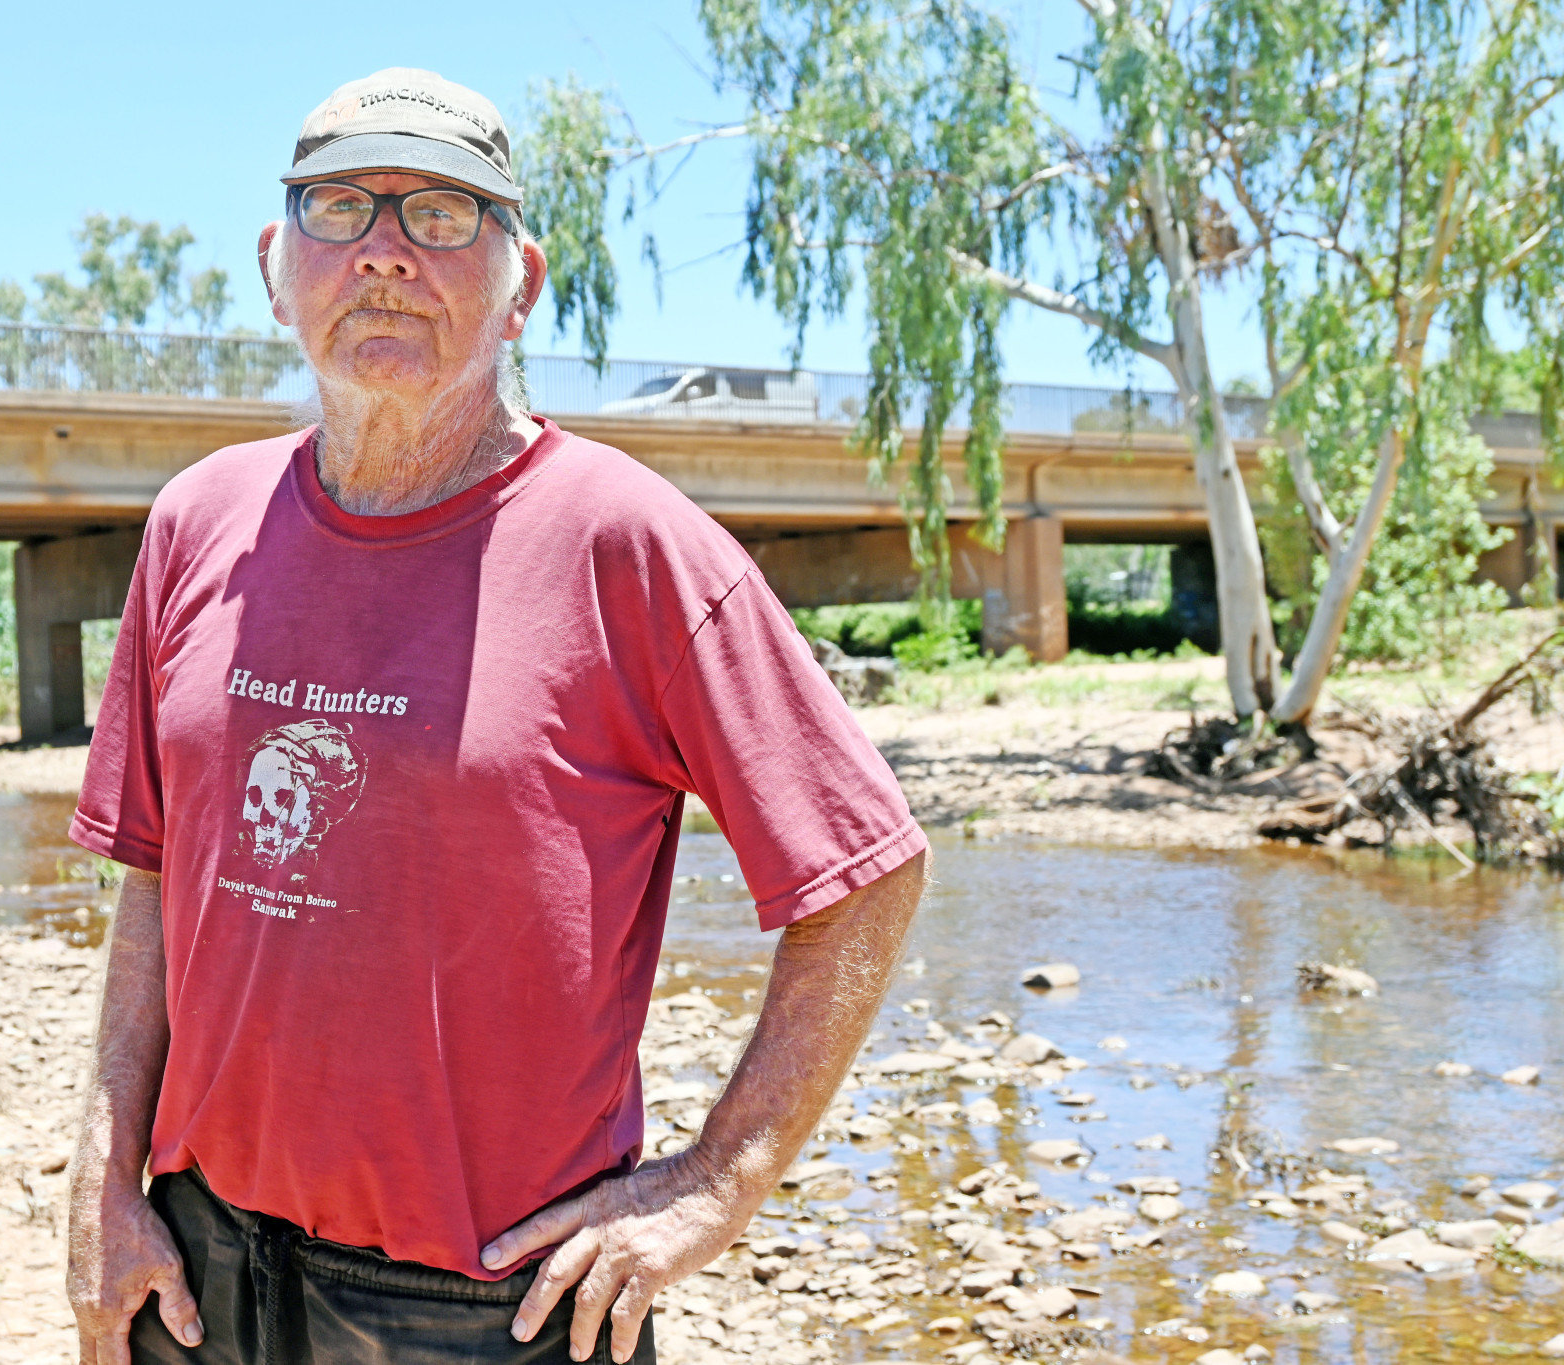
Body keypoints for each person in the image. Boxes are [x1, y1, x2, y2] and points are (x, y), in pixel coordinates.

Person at [64, 67, 930, 1365]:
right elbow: (154, 873)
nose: (388, 255)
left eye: (443, 215)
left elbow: (865, 872)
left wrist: (714, 1184)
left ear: (522, 278)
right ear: (274, 265)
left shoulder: (628, 543)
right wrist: (102, 1173)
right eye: (342, 209)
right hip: (195, 1281)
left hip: (490, 1313)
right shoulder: (198, 521)